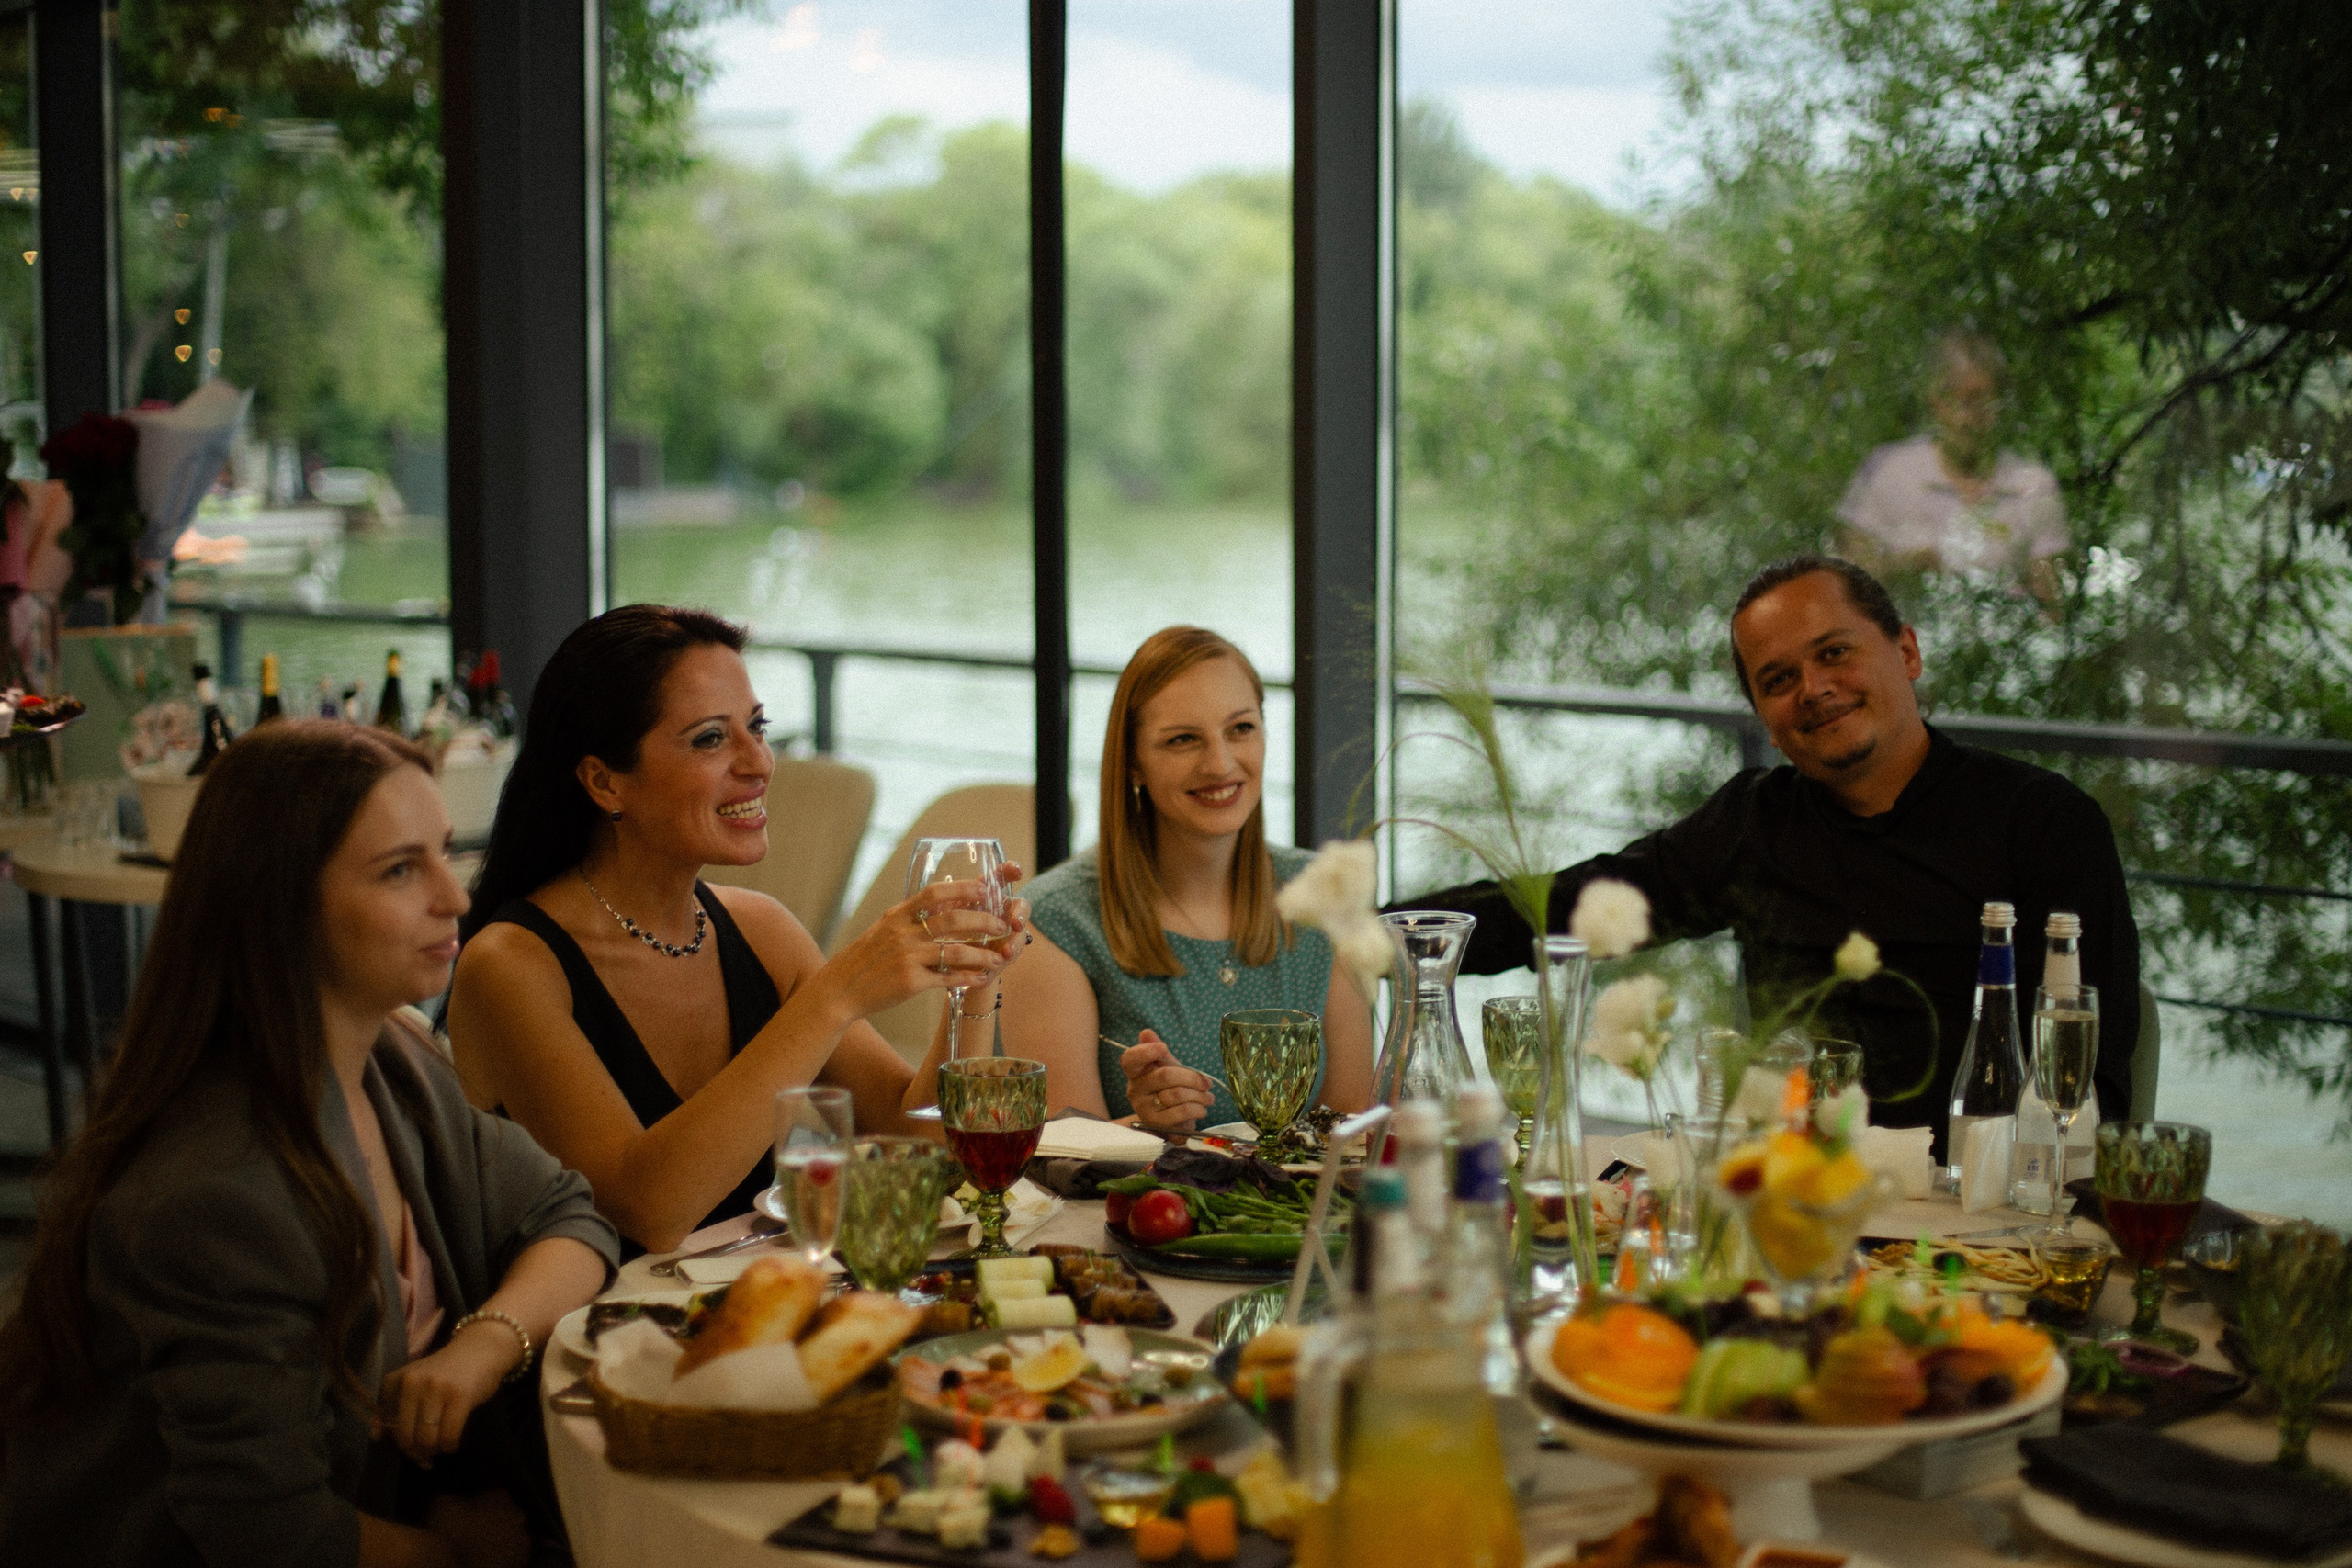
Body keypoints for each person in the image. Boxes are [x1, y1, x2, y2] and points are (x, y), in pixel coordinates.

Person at [0, 721, 619, 1568]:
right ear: (280, 899)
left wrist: (484, 1346)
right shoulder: (217, 1191)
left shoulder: (394, 1060)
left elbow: (570, 1215)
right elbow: (268, 1534)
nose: (456, 895)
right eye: (402, 870)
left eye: (444, 851)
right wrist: (459, 1550)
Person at [1400, 557, 2139, 1158]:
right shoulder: (1755, 822)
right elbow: (1578, 903)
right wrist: (1379, 937)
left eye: (1834, 654)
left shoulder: (2045, 822)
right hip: (1788, 1202)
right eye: (1778, 680)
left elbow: (2090, 1079)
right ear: (1767, 721)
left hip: (1976, 1215)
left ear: (1907, 651)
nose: (1813, 689)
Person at [445, 604, 1029, 1255]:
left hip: (761, 1321)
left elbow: (928, 1143)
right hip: (591, 1342)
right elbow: (651, 1208)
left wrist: (976, 980)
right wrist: (836, 993)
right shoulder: (512, 964)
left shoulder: (760, 930)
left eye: (757, 727)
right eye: (710, 739)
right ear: (605, 781)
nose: (760, 762)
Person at [1001, 626, 1374, 1134]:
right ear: (1133, 762)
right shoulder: (1049, 925)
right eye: (1182, 740)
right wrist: (1144, 1127)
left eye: (1240, 728)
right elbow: (1063, 1165)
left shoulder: (1324, 895)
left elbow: (1352, 1134)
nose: (1220, 763)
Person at [1837, 331, 2068, 605]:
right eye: (1952, 398)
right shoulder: (1890, 471)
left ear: (2000, 403)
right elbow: (1843, 581)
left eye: (1978, 399)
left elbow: (2050, 604)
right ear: (1932, 400)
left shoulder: (2032, 486)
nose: (1964, 417)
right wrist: (1903, 565)